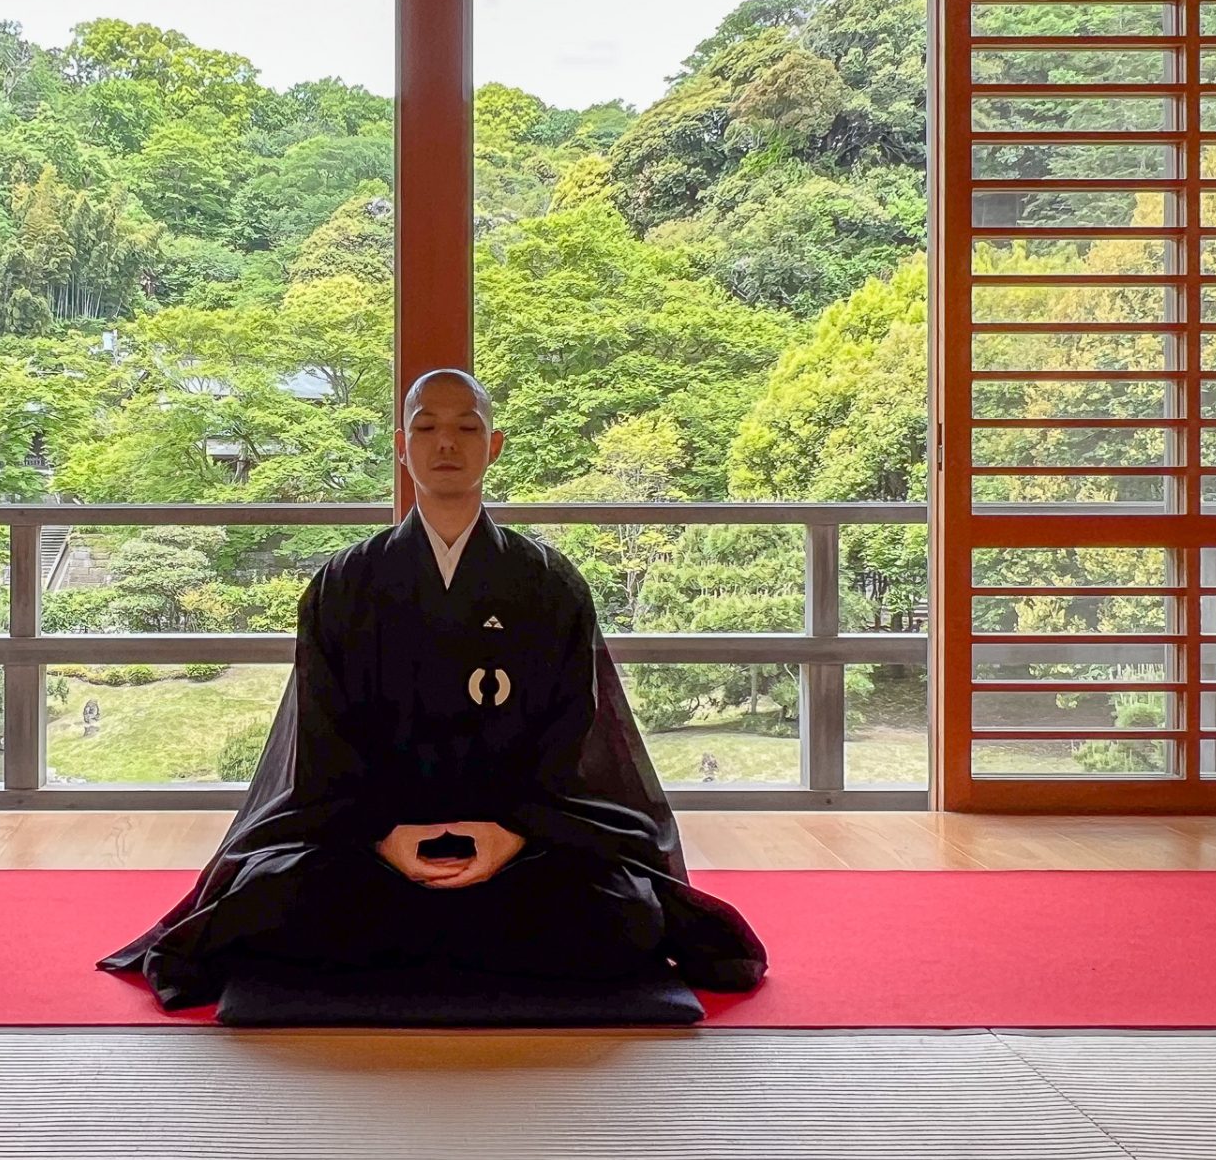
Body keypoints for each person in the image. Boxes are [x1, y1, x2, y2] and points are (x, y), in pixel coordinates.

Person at [99, 368, 768, 1011]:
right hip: (371, 841)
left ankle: (402, 948)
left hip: (519, 841)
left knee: (623, 913)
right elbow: (325, 742)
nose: (446, 443)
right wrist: (387, 836)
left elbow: (572, 737)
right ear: (402, 448)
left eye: (466, 427)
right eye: (426, 428)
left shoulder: (547, 584)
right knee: (274, 895)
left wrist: (507, 835)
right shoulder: (346, 584)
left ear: (493, 446)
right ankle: (475, 943)